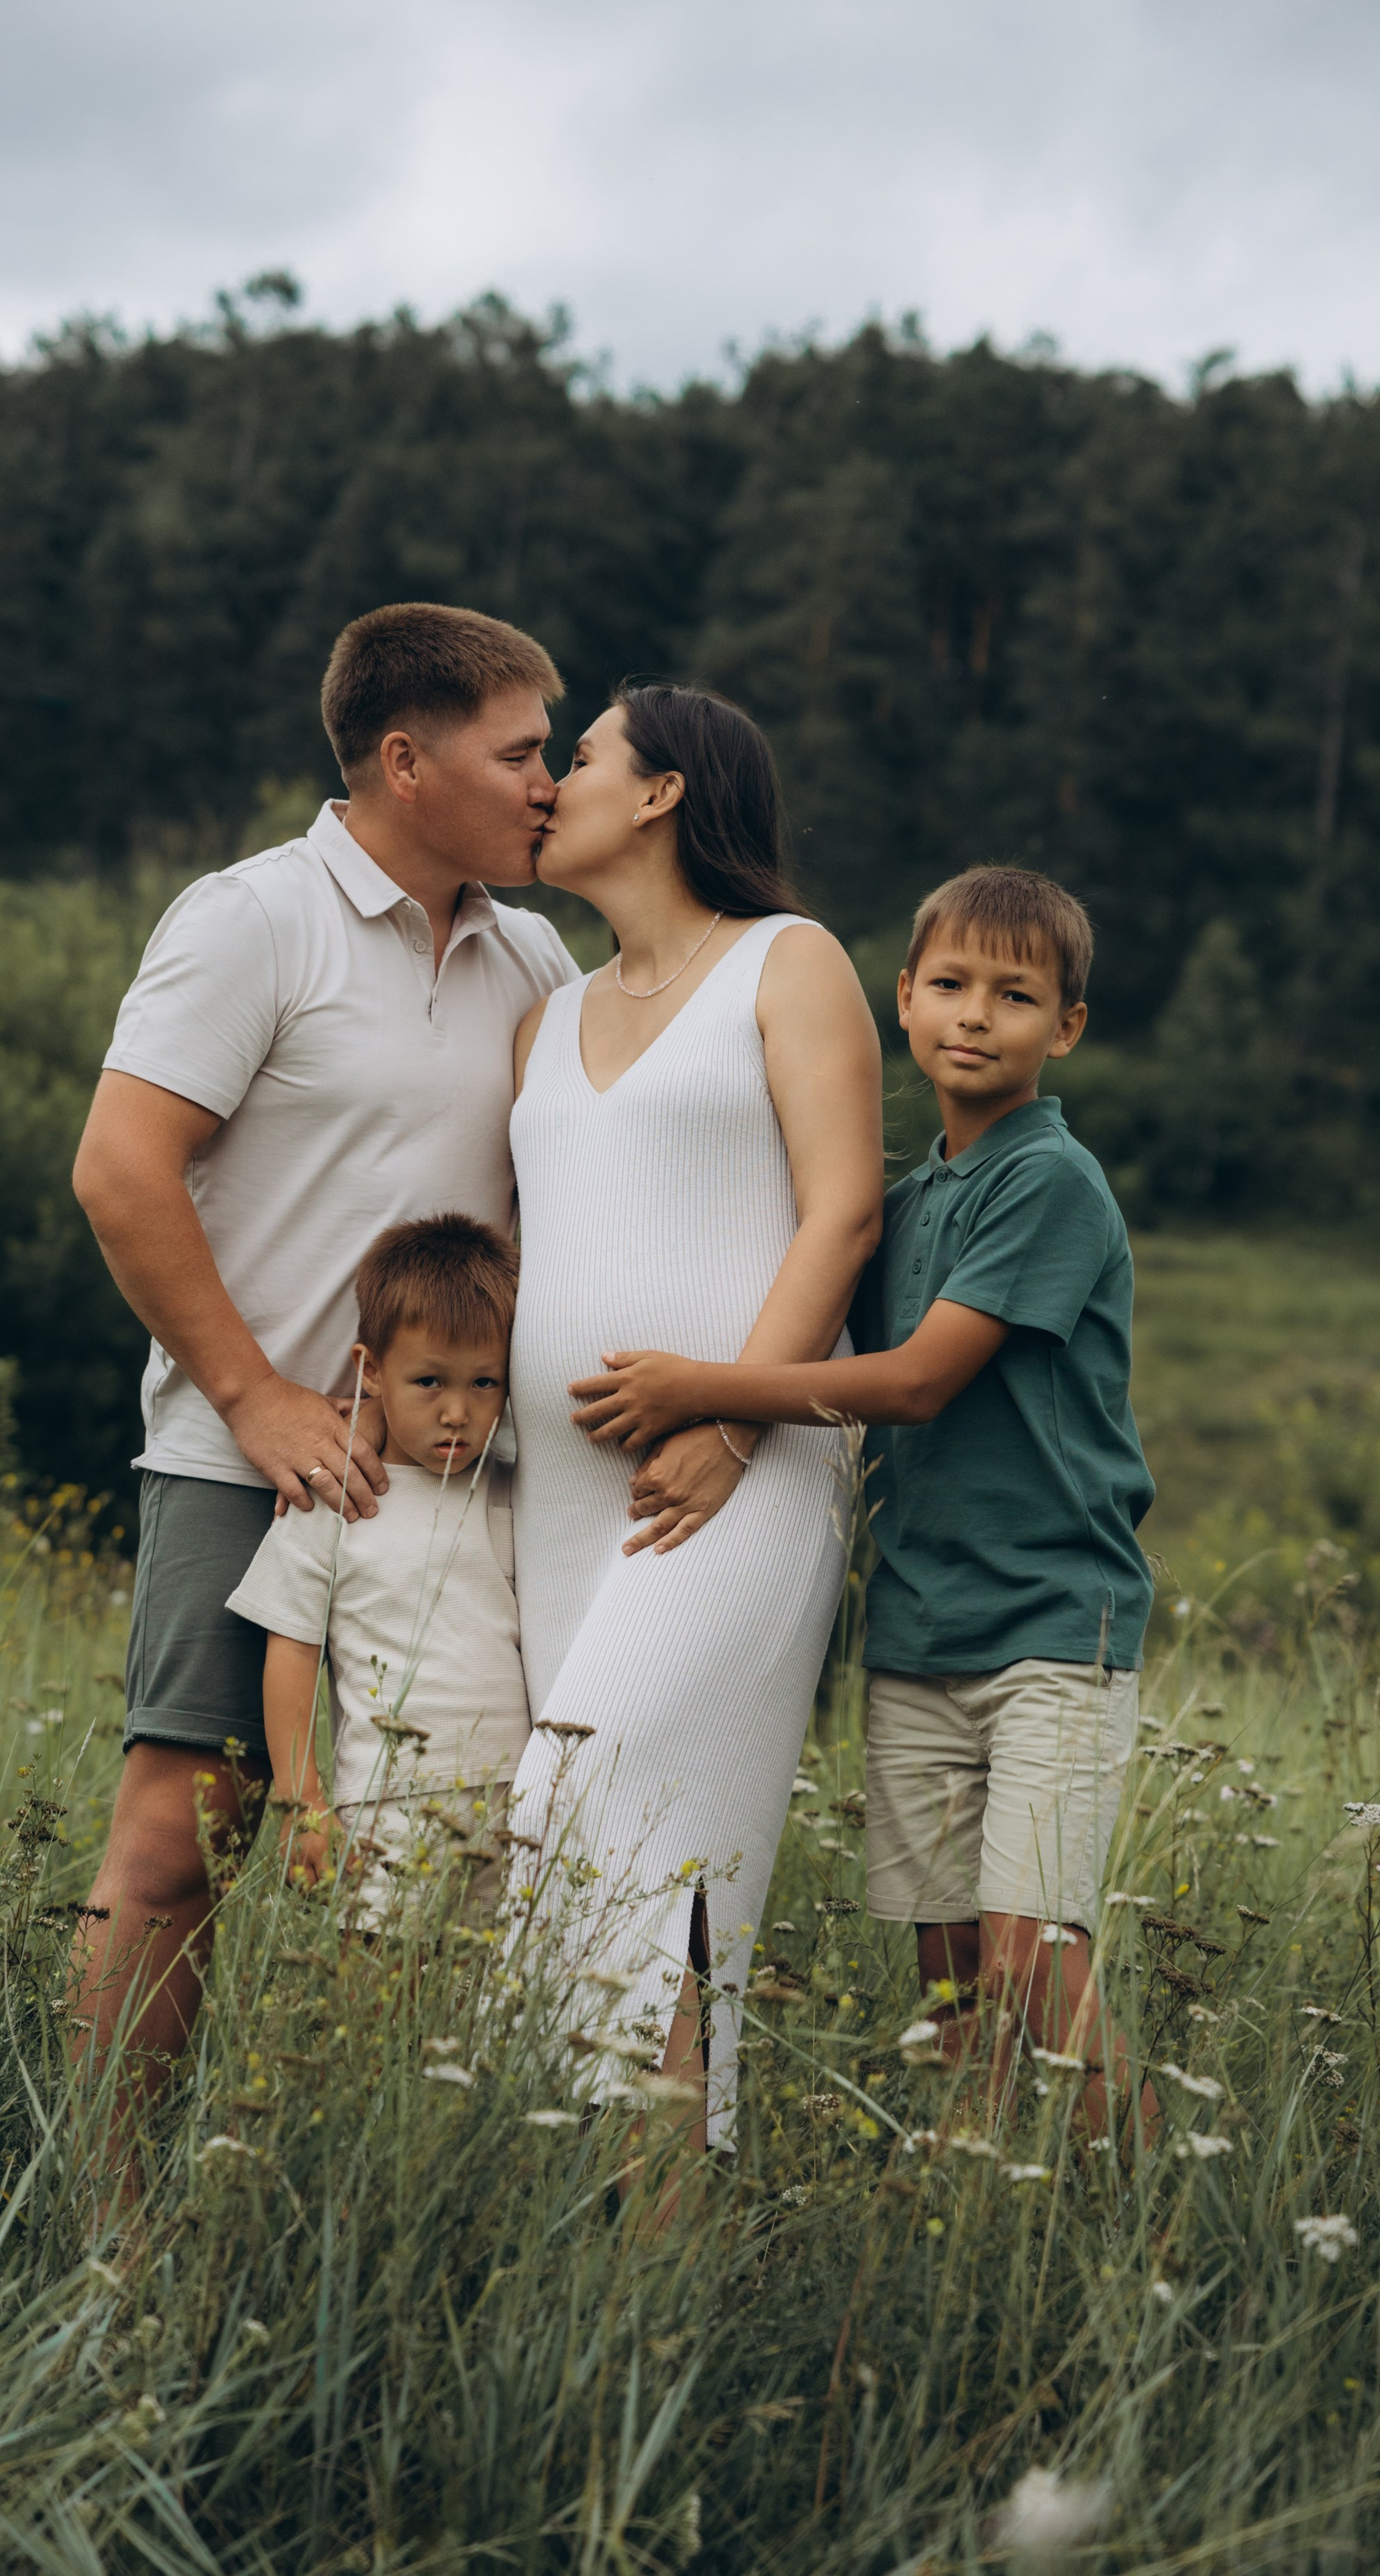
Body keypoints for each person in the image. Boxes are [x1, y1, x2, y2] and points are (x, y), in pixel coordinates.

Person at [68, 605, 576, 2102]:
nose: (548, 784)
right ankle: (110, 2216)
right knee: (185, 1836)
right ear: (406, 762)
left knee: (465, 1854)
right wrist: (255, 1397)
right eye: (520, 753)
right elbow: (120, 1170)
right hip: (253, 1461)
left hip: (470, 1484)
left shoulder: (536, 954)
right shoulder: (251, 919)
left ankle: (386, 2186)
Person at [571, 863, 1156, 2136]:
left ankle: (1152, 2214)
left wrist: (701, 1388)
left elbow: (916, 1383)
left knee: (1033, 1962)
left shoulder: (1048, 1182)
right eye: (950, 984)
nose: (975, 1015)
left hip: (1055, 1627)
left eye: (1016, 996)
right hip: (920, 1629)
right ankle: (979, 2208)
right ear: (903, 998)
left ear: (1066, 1028)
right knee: (950, 1983)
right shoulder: (904, 1205)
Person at [504, 683, 885, 2161]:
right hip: (558, 1502)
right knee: (629, 1868)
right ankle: (625, 2246)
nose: (552, 784)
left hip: (741, 1473)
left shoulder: (788, 963)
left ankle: (637, 2242)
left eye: (582, 756)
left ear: (662, 792)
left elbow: (842, 1214)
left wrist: (727, 1428)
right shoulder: (544, 1020)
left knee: (567, 1800)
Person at [230, 1214, 527, 1926]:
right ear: (370, 1371)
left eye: (485, 1382)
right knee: (378, 1984)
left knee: (494, 1989)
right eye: (428, 1381)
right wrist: (302, 1800)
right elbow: (291, 1652)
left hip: (521, 1804)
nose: (457, 1412)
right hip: (388, 1805)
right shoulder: (332, 1501)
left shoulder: (514, 1490)